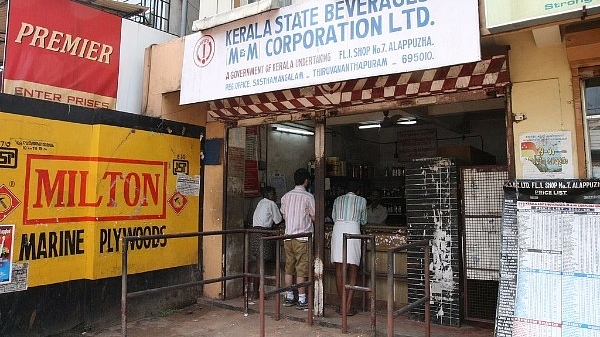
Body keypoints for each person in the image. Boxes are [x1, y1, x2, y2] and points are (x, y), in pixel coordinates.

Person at [279, 168, 315, 311]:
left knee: (289, 268)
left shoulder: (286, 196)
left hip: (288, 238)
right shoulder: (308, 197)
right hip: (302, 238)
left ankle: (288, 296)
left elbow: (283, 215)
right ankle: (301, 299)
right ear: (306, 181)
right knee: (301, 269)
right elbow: (314, 217)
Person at [330, 180, 367, 316]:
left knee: (339, 267)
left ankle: (342, 304)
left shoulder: (337, 199)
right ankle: (348, 305)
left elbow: (334, 217)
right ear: (358, 191)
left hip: (338, 229)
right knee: (353, 267)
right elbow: (364, 221)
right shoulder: (362, 200)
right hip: (353, 229)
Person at [249, 186, 282, 301]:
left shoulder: (260, 203)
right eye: (274, 194)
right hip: (264, 233)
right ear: (268, 195)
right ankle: (256, 292)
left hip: (255, 233)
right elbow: (278, 220)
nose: (275, 195)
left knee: (259, 264)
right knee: (260, 265)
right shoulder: (271, 204)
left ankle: (257, 291)